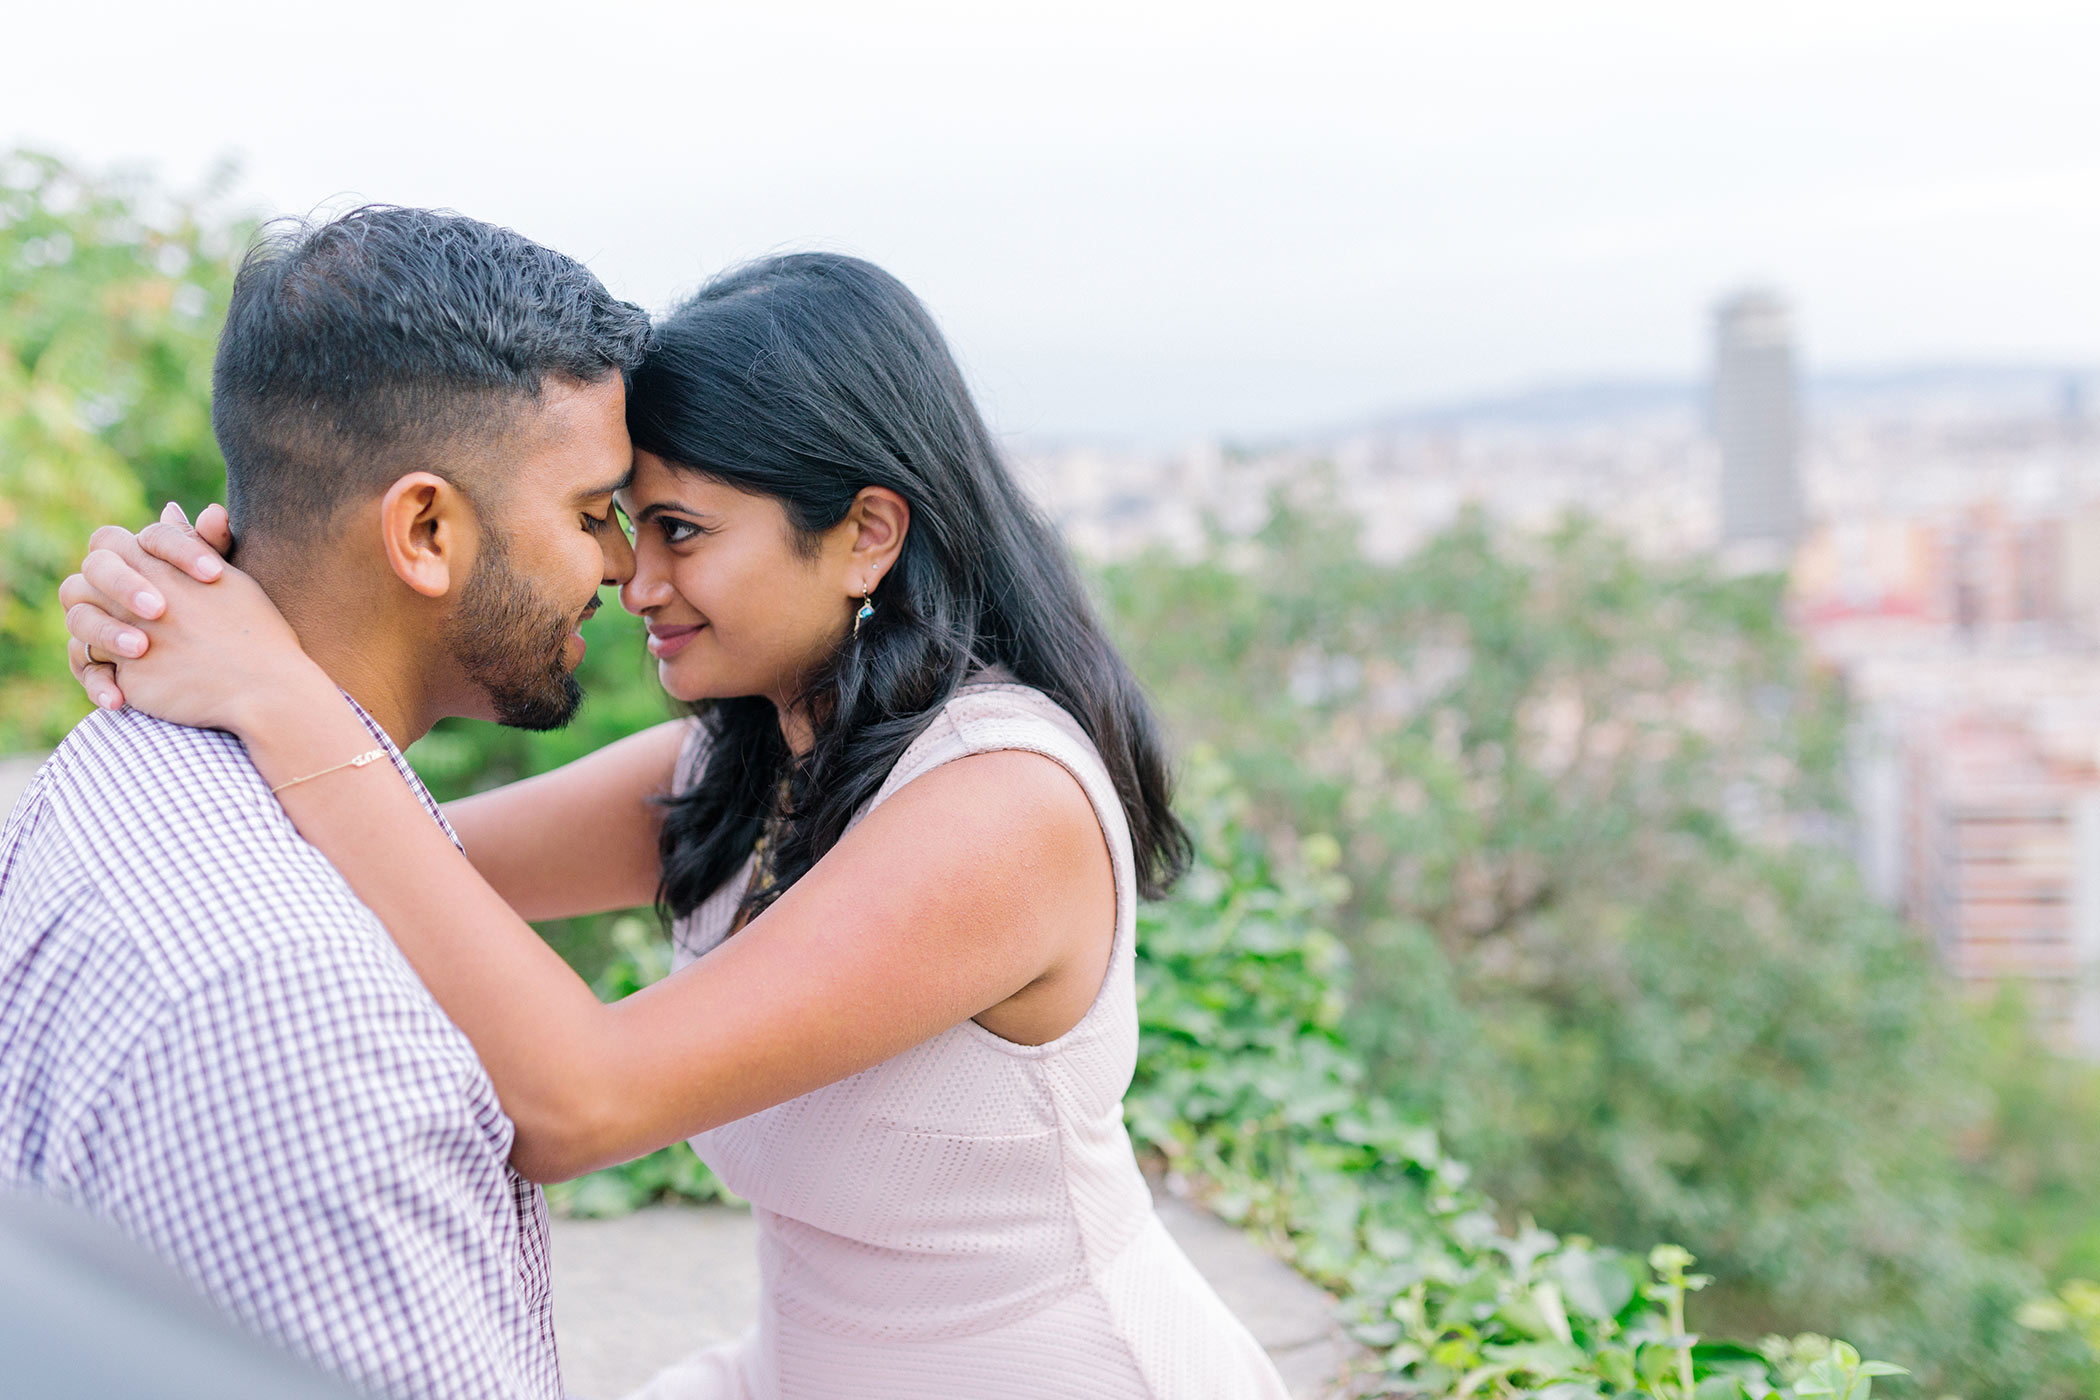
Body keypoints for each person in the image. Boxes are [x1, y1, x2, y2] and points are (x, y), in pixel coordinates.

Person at [61, 253, 1292, 1398]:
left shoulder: (1004, 804)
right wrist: (194, 611)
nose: (630, 581)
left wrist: (272, 687)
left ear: (866, 533)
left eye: (682, 533)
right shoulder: (737, 763)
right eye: (622, 520)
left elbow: (581, 1101)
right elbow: (378, 862)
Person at [1, 205, 653, 1399]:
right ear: (423, 529)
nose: (621, 564)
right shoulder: (306, 1009)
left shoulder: (123, 758)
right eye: (590, 512)